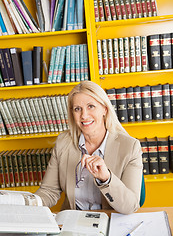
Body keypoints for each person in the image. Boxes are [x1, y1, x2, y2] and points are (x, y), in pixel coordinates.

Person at [35, 81, 143, 214]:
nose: (84, 115)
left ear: (104, 109)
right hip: (73, 222)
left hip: (110, 221)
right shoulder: (63, 142)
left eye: (91, 106)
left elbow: (130, 207)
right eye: (77, 109)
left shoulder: (130, 147)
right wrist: (25, 205)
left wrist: (106, 178)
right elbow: (49, 191)